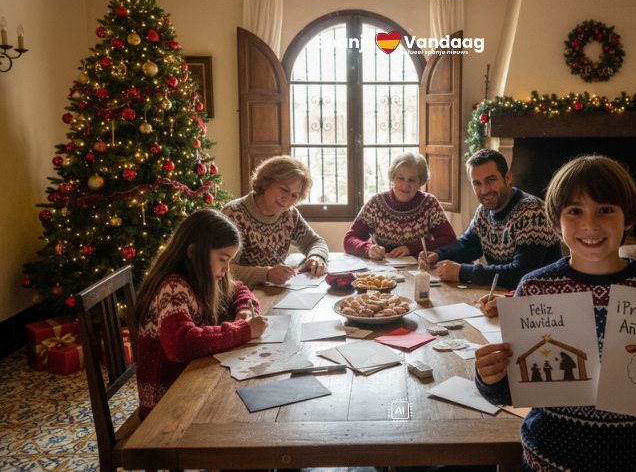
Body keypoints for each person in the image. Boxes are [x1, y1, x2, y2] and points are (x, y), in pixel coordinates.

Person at [474, 155, 636, 471]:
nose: (590, 224)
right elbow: (509, 391)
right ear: (556, 221)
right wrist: (489, 378)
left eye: (605, 209)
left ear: (627, 218)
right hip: (549, 460)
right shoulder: (535, 288)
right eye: (574, 211)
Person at [133, 209, 268, 419]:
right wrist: (244, 331)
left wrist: (243, 308)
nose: (226, 268)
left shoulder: (203, 274)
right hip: (168, 405)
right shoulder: (172, 288)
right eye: (223, 259)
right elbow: (181, 344)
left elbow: (238, 288)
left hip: (192, 381)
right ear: (193, 252)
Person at [419, 148, 561, 290]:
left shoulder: (533, 212)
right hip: (505, 296)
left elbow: (521, 273)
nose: (484, 190)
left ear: (508, 177)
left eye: (490, 180)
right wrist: (438, 255)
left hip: (540, 303)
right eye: (477, 183)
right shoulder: (483, 211)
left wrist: (462, 272)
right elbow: (467, 246)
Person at [222, 156, 329, 286]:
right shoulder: (234, 214)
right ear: (266, 183)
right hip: (239, 296)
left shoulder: (290, 215)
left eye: (295, 195)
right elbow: (225, 268)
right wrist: (266, 274)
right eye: (284, 189)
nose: (287, 200)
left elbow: (315, 242)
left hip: (273, 292)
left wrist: (317, 257)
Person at [343, 152, 457, 259]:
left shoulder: (429, 203)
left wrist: (412, 248)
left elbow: (449, 240)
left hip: (418, 269)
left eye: (412, 180)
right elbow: (349, 239)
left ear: (420, 182)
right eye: (400, 178)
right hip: (380, 270)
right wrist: (368, 249)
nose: (405, 185)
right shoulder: (376, 203)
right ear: (392, 178)